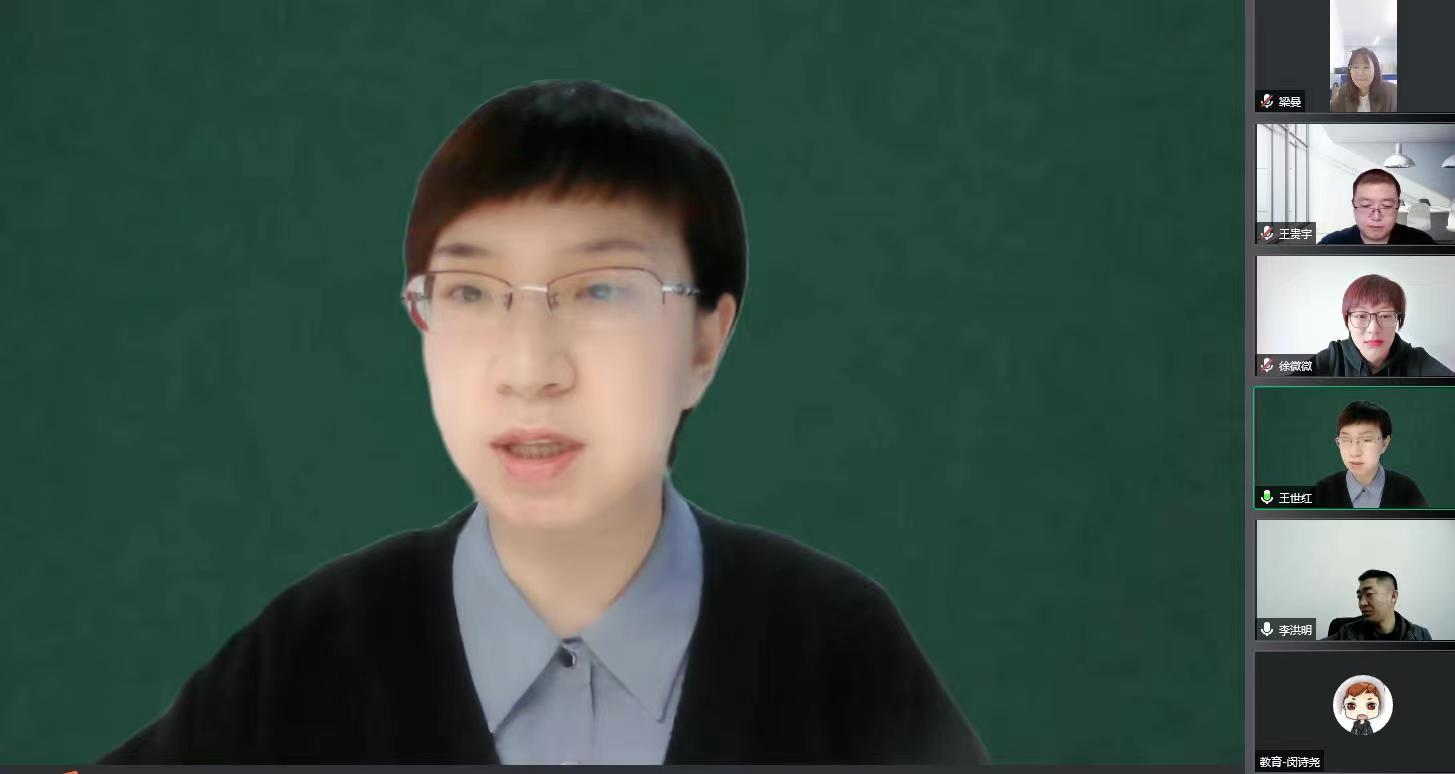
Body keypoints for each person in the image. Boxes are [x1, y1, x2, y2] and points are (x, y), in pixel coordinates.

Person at [99, 81, 988, 765]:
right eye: (471, 293)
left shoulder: (835, 647)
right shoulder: (313, 651)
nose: (529, 370)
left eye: (600, 291)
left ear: (704, 343)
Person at [1311, 274, 1453, 376]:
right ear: (1347, 320)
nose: (1373, 329)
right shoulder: (1332, 358)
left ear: (1398, 319)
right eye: (1361, 316)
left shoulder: (1417, 360)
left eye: (1385, 316)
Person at [1313, 401, 1427, 508]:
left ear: (1384, 443)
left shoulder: (1406, 491)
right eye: (1346, 439)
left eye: (1367, 440)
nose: (1355, 452)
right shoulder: (1320, 492)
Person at [1318, 169, 1435, 245]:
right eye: (1366, 205)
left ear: (1397, 206)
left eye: (1387, 206)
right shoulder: (1331, 244)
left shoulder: (1423, 243)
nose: (1376, 217)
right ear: (1354, 205)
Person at [1326, 570, 1433, 641]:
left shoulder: (1420, 635)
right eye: (1359, 597)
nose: (1362, 603)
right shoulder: (1346, 633)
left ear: (1393, 596)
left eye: (1369, 594)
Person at [1329, 48, 1397, 113]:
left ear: (1375, 70)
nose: (1360, 73)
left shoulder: (1392, 92)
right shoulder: (1345, 90)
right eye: (1355, 67)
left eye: (1366, 67)